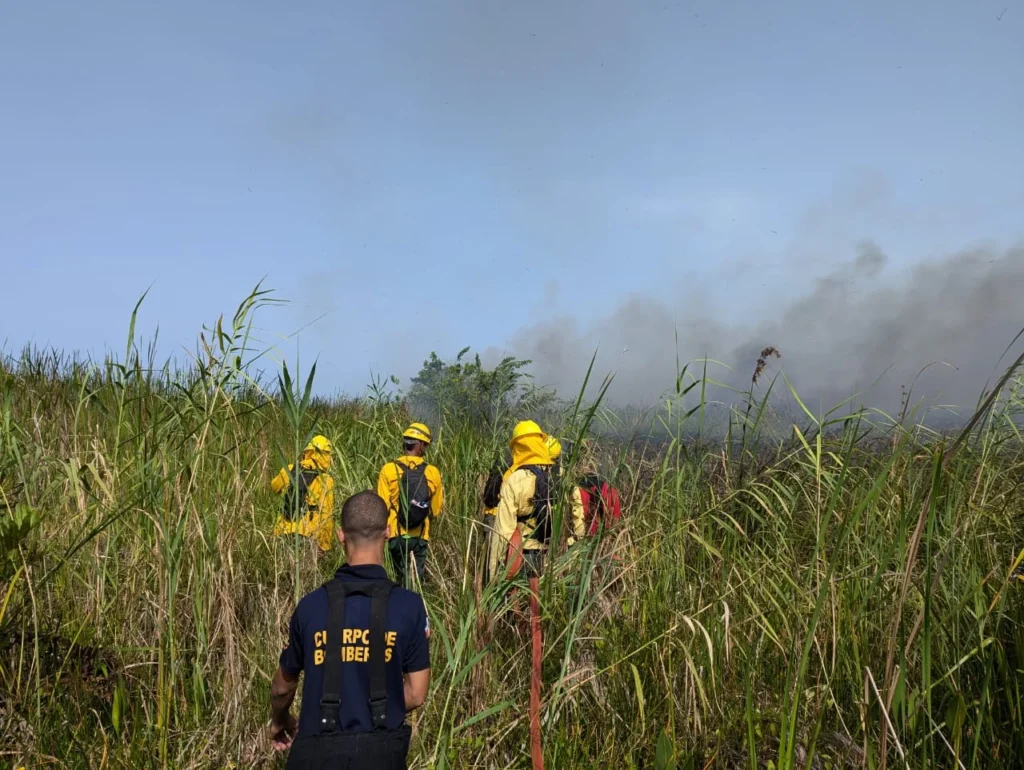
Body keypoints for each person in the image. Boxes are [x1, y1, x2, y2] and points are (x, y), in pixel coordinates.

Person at [269, 490, 431, 769]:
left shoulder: (310, 606)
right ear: (388, 532)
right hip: (381, 756)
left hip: (314, 755)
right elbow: (417, 693)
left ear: (340, 535)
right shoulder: (409, 606)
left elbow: (283, 687)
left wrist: (279, 720)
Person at [485, 421, 585, 583]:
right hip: (558, 554)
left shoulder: (514, 480)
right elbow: (578, 514)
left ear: (517, 447)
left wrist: (494, 572)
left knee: (522, 604)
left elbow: (503, 531)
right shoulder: (562, 475)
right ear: (540, 442)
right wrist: (577, 549)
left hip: (524, 554)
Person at [377, 423, 444, 587]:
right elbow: (435, 510)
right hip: (420, 536)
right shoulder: (432, 472)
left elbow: (382, 506)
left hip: (395, 535)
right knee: (415, 583)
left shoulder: (388, 469)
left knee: (396, 581)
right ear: (421, 445)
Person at [271, 435, 336, 552]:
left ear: (307, 452)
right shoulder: (326, 480)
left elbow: (274, 487)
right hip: (308, 536)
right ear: (327, 456)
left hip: (282, 533)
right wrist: (324, 546)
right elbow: (326, 515)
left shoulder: (290, 469)